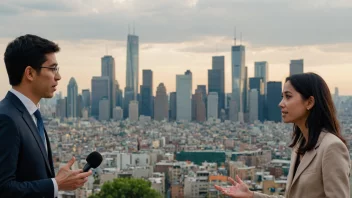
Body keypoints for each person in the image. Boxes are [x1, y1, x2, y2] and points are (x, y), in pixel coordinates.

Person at [215, 72, 351, 198]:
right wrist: (251, 195)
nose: (281, 104)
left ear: (309, 102)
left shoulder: (332, 147)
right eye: (282, 97)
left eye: (288, 96)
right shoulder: (300, 146)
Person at [0, 34, 92, 197]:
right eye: (52, 68)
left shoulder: (30, 115)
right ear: (30, 73)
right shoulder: (7, 118)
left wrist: (55, 182)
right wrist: (56, 184)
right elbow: (4, 188)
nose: (58, 76)